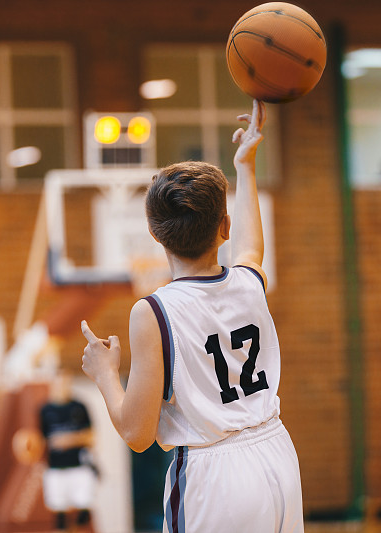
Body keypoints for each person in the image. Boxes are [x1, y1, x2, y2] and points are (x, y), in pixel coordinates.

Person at [81, 100, 303, 533]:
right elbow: (250, 248)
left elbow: (137, 434)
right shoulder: (249, 282)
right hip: (277, 454)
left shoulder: (154, 311)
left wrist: (105, 374)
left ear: (152, 233)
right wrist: (246, 165)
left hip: (213, 474)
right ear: (223, 226)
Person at [39, 368, 97, 532]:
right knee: (60, 517)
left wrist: (68, 440)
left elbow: (91, 437)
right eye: (59, 382)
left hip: (79, 467)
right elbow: (41, 439)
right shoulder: (45, 410)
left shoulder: (79, 407)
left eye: (66, 382)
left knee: (83, 514)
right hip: (56, 469)